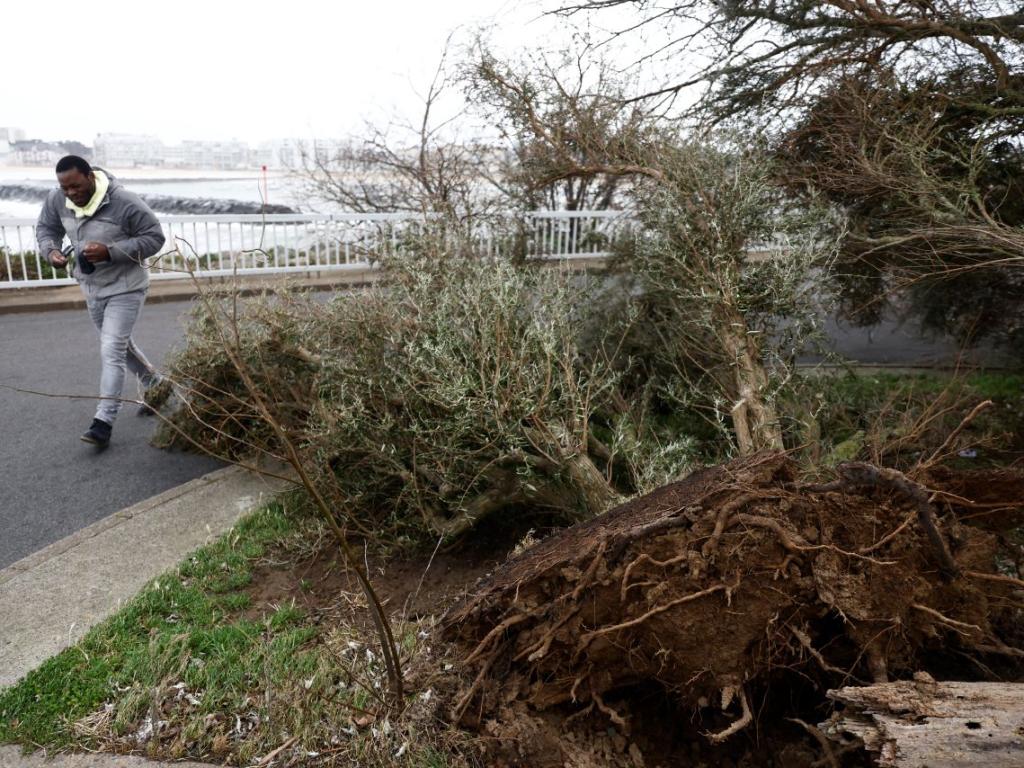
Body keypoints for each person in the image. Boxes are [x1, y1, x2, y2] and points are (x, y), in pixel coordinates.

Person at [36, 155, 167, 447]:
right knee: (121, 346)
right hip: (91, 287)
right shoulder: (57, 199)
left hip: (127, 287)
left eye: (75, 186)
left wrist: (111, 251)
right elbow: (46, 229)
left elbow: (155, 238)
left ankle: (103, 422)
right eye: (64, 187)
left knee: (111, 350)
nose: (70, 193)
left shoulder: (124, 201)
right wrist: (51, 252)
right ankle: (158, 386)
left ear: (90, 177)